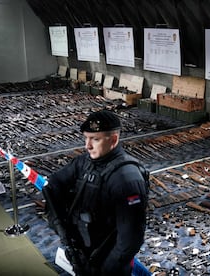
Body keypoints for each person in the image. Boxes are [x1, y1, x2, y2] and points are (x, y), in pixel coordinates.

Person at [43, 110, 149, 276]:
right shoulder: (86, 162)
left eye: (95, 139)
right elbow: (54, 185)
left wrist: (105, 270)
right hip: (81, 251)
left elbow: (130, 240)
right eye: (86, 138)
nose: (87, 146)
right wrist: (58, 223)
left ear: (113, 140)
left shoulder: (126, 179)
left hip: (107, 262)